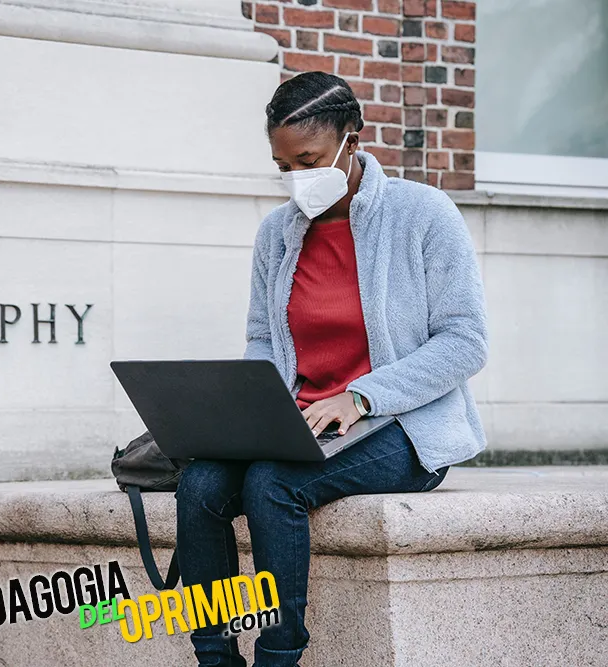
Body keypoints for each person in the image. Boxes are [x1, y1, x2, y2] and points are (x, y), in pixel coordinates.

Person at [174, 71, 488, 667]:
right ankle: (212, 655)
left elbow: (465, 341)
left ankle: (279, 652)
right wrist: (257, 406)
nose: (297, 179)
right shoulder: (277, 233)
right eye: (284, 165)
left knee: (272, 482)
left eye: (309, 160)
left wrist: (362, 397)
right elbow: (264, 338)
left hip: (401, 427)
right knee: (200, 486)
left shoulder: (423, 215)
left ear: (353, 137)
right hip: (300, 421)